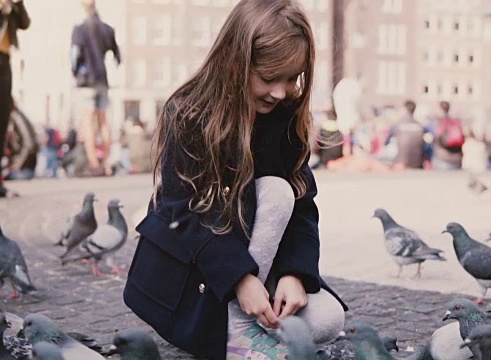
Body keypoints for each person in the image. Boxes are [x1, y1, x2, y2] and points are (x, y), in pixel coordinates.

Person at [122, 1, 347, 359]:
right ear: (236, 62)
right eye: (270, 78)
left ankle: (247, 327)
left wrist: (293, 273)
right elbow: (182, 212)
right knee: (275, 191)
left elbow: (303, 207)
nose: (282, 91)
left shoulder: (283, 116)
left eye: (292, 78)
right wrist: (240, 280)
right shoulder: (188, 113)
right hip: (193, 277)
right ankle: (240, 331)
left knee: (330, 318)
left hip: (254, 265)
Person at [71, 0, 120, 176]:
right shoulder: (107, 29)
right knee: (103, 122)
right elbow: (117, 55)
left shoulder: (80, 29)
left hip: (86, 81)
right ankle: (106, 164)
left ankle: (93, 164)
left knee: (88, 122)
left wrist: (75, 72)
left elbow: (75, 55)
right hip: (102, 79)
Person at [0, 0, 29, 196]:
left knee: (2, 122)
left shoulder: (12, 5)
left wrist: (17, 4)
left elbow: (25, 23)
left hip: (4, 60)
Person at [385, 100, 425, 169]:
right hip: (417, 162)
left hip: (400, 162)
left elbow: (386, 141)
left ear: (405, 109)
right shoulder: (420, 125)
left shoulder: (397, 124)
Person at [432, 101, 464, 170]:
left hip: (443, 158)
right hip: (457, 158)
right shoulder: (456, 121)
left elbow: (436, 138)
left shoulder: (438, 122)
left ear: (440, 109)